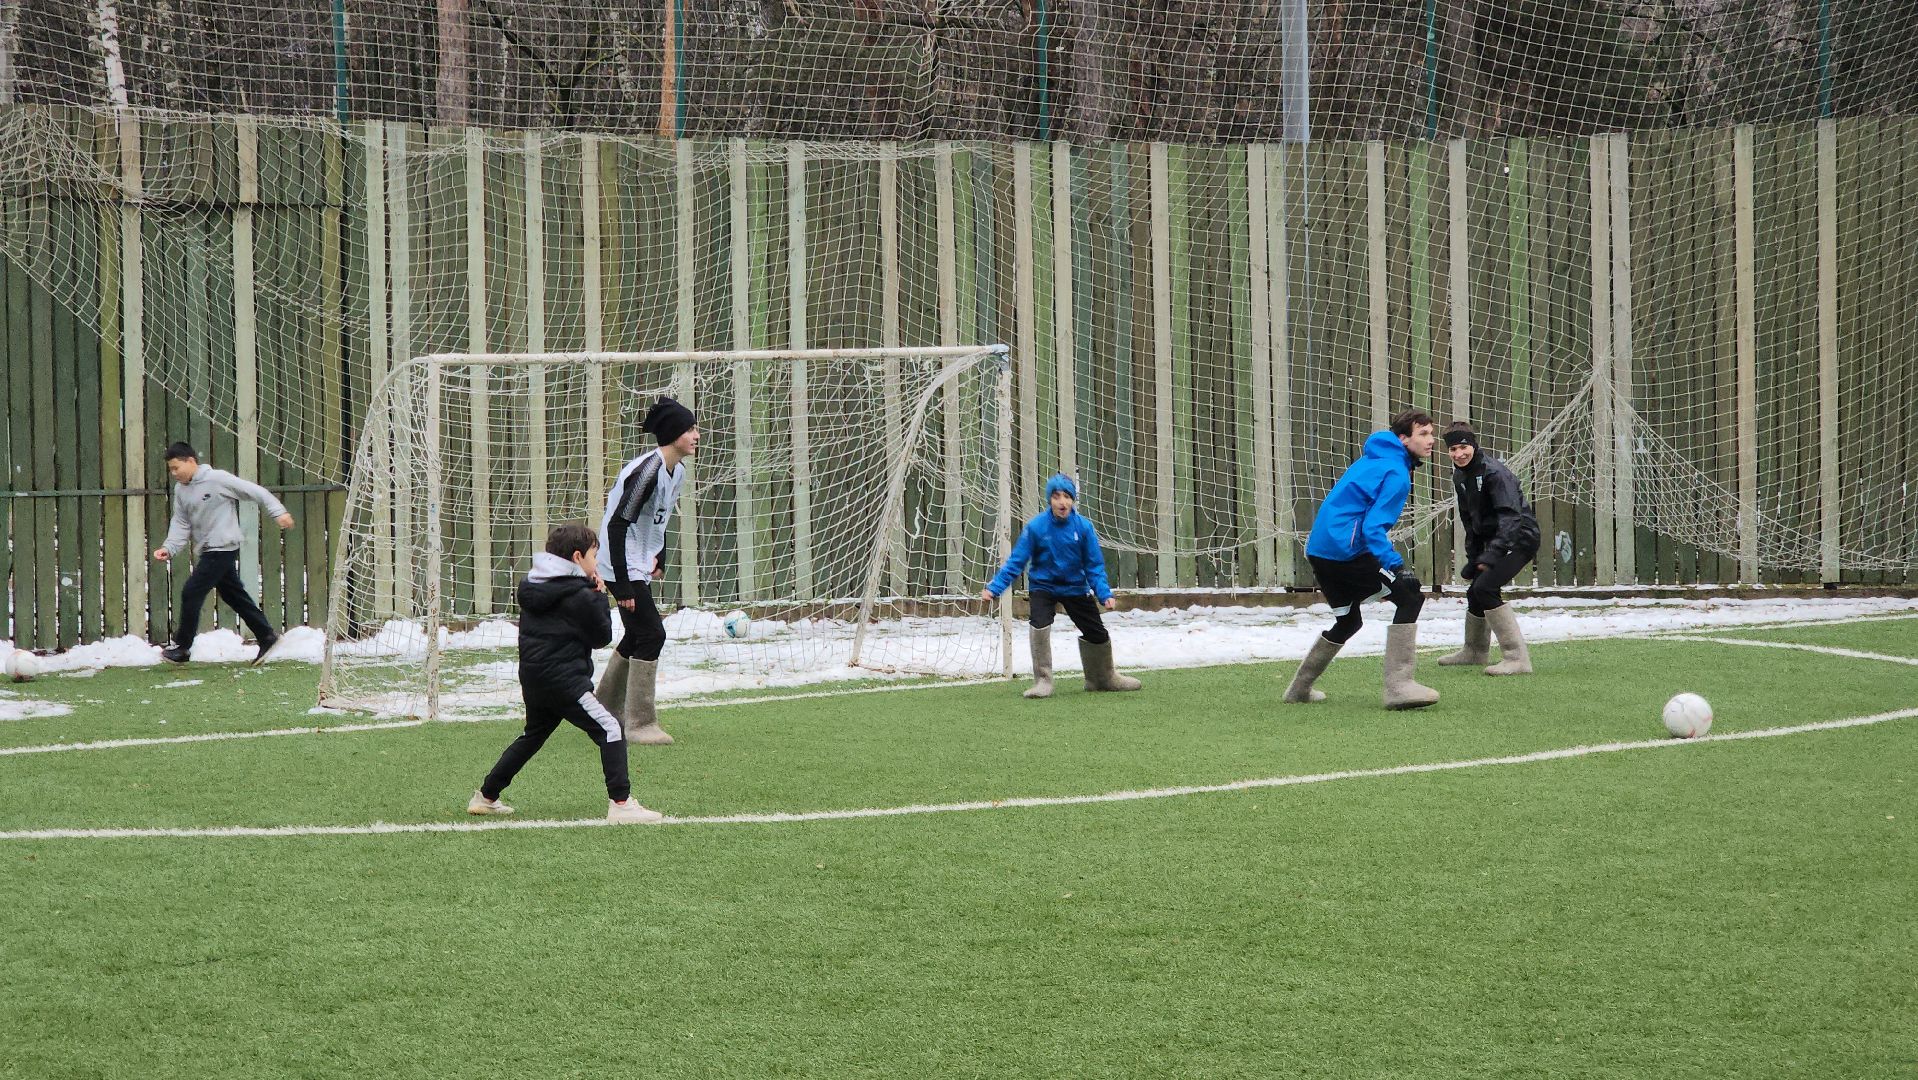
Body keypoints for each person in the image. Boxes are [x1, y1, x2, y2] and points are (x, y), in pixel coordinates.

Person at [468, 524, 663, 824]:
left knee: (533, 735)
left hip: (534, 678)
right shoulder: (581, 594)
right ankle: (621, 804)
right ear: (576, 557)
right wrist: (599, 595)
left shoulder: (535, 584)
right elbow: (601, 636)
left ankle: (487, 796)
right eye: (594, 557)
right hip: (564, 681)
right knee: (610, 728)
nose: (596, 564)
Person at [1285, 410, 1441, 709]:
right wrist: (1394, 565)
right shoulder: (1396, 473)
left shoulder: (1373, 458)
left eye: (1431, 433)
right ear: (1403, 438)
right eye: (1423, 434)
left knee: (1348, 621)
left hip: (1320, 549)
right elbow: (1372, 528)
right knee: (1410, 597)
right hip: (1346, 551)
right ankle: (1399, 687)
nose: (1431, 440)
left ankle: (1298, 689)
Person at [981, 473, 1141, 698]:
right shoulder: (1036, 527)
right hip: (1043, 586)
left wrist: (1104, 593)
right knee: (1039, 624)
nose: (1062, 502)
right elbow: (1017, 561)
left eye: (1067, 496)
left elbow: (1093, 565)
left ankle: (1102, 678)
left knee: (1096, 632)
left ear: (1073, 500)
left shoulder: (1084, 528)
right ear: (1049, 500)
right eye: (1056, 497)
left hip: (1075, 587)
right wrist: (995, 588)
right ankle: (1043, 681)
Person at [595, 396, 698, 745]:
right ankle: (639, 724)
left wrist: (660, 556)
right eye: (689, 429)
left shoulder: (677, 472)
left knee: (639, 634)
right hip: (619, 561)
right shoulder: (647, 471)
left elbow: (660, 519)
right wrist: (622, 585)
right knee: (653, 634)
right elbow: (617, 525)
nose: (696, 435)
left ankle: (604, 710)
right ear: (672, 434)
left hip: (638, 561)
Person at [150, 442, 295, 665]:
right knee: (233, 595)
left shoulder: (217, 479)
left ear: (191, 461)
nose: (173, 473)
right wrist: (169, 548)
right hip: (208, 549)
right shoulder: (181, 490)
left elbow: (256, 492)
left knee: (191, 591)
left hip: (223, 547)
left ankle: (182, 647)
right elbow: (180, 522)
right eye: (170, 469)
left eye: (176, 467)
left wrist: (279, 513)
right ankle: (266, 635)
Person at [1436, 421, 1540, 676]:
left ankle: (1517, 659)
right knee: (1475, 592)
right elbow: (1469, 520)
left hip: (1519, 539)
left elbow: (1511, 517)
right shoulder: (1460, 475)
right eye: (1453, 449)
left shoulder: (1494, 473)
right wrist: (1474, 557)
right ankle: (1474, 652)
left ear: (1473, 444)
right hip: (1495, 541)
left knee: (1485, 588)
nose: (1458, 454)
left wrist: (1494, 552)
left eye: (1463, 447)